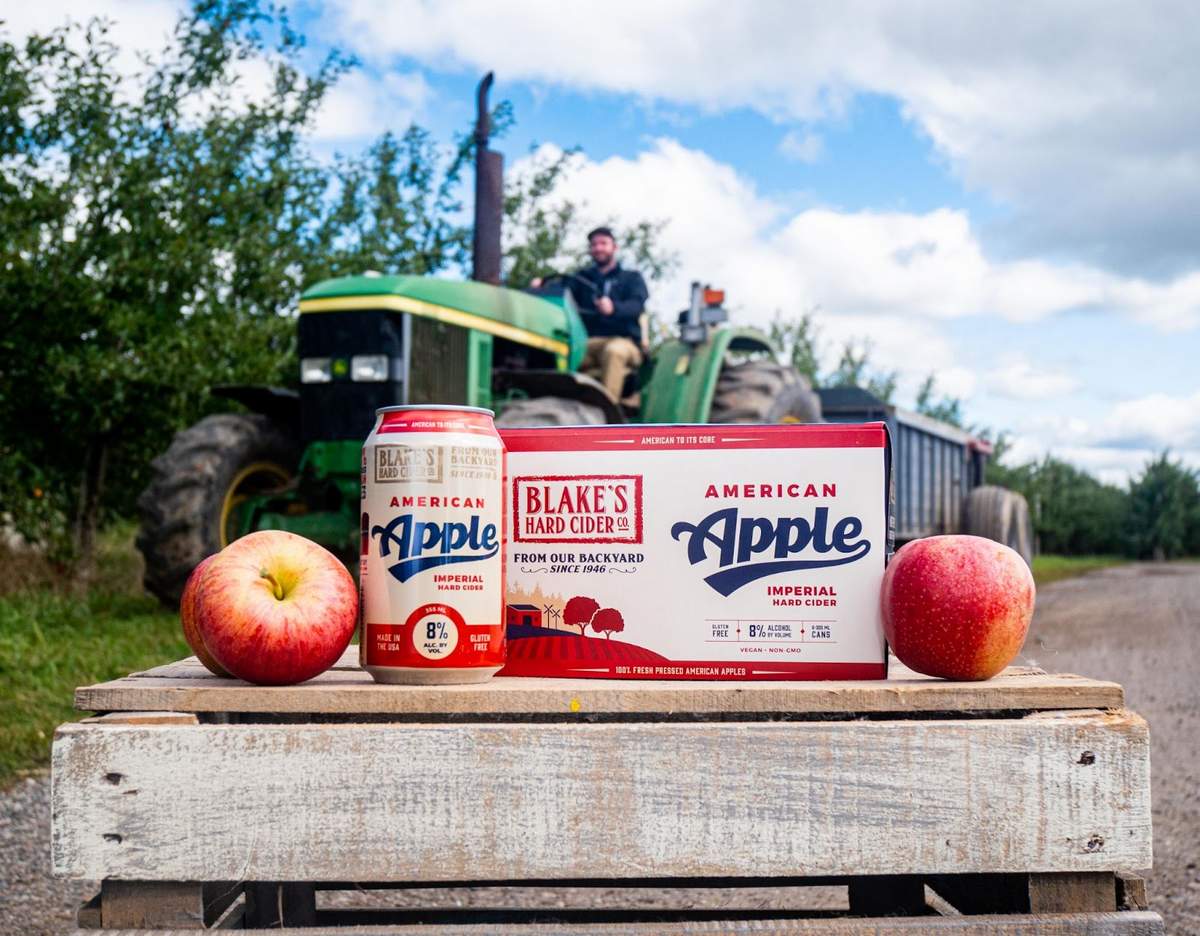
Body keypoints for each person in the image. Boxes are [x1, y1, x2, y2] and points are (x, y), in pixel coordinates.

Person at [537, 227, 649, 401]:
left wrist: (614, 308)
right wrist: (542, 284)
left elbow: (637, 305)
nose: (598, 248)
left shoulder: (632, 278)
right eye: (594, 244)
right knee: (559, 353)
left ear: (614, 248)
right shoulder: (582, 278)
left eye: (603, 243)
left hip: (625, 342)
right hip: (589, 342)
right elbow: (563, 288)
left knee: (613, 352)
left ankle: (607, 415)